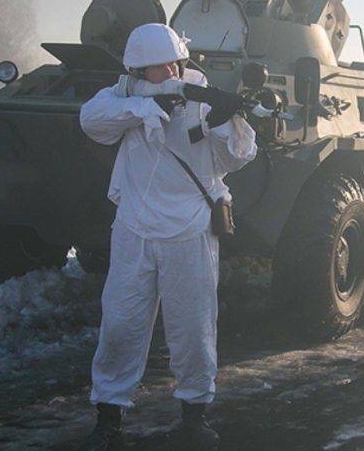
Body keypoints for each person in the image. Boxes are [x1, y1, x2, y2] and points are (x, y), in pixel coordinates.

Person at [78, 23, 257, 450]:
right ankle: (108, 420)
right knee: (121, 326)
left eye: (177, 61)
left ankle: (194, 418)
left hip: (188, 229)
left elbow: (238, 158)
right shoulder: (124, 95)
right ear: (139, 70)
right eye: (161, 67)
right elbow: (91, 121)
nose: (173, 70)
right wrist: (144, 108)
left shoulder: (198, 95)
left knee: (193, 329)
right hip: (135, 228)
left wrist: (227, 119)